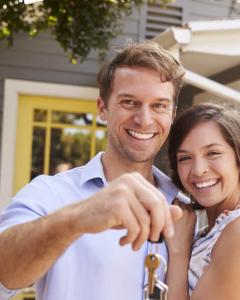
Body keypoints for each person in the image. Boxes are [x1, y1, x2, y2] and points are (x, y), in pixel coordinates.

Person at [0, 41, 185, 300]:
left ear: (172, 113)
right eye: (130, 102)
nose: (144, 119)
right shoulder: (51, 193)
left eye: (159, 105)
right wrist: (78, 218)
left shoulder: (187, 206)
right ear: (102, 109)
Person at [164, 103, 240, 299]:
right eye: (185, 158)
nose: (198, 169)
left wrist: (178, 253)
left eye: (213, 153)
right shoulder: (205, 234)